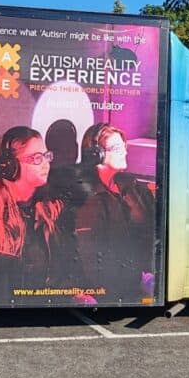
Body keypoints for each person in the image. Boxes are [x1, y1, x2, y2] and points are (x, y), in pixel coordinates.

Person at [0, 126, 79, 303]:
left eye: (46, 156)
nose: (46, 163)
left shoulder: (52, 211)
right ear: (9, 167)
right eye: (36, 158)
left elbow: (66, 269)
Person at [74, 123, 156, 302]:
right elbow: (91, 257)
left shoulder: (131, 186)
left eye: (123, 146)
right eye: (117, 148)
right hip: (112, 288)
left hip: (138, 279)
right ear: (97, 155)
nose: (125, 152)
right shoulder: (87, 197)